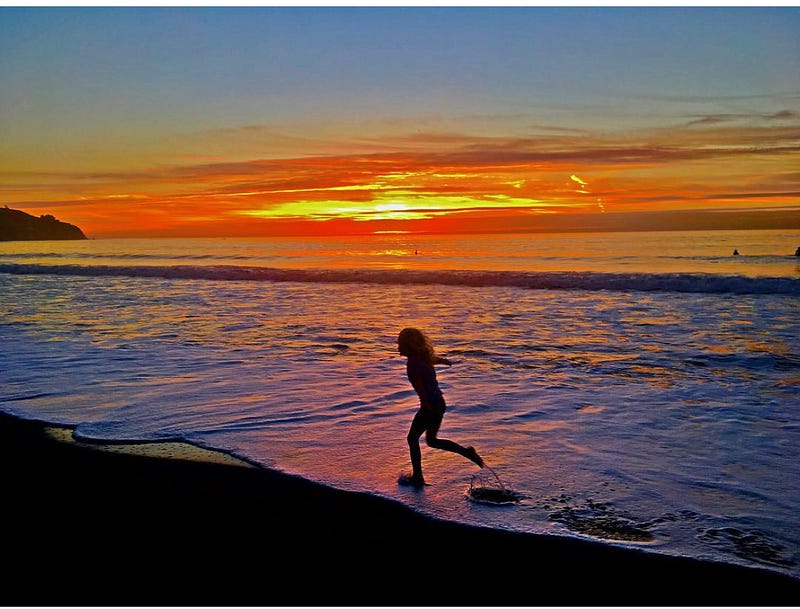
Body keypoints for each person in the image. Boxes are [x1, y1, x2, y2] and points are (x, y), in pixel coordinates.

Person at [396, 327, 484, 486]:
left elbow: (420, 388)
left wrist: (425, 406)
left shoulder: (413, 364)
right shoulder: (423, 357)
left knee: (412, 438)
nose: (397, 347)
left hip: (430, 405)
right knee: (432, 440)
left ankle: (418, 477)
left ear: (409, 346)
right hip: (439, 403)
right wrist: (443, 361)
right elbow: (432, 360)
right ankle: (466, 451)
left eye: (400, 344)